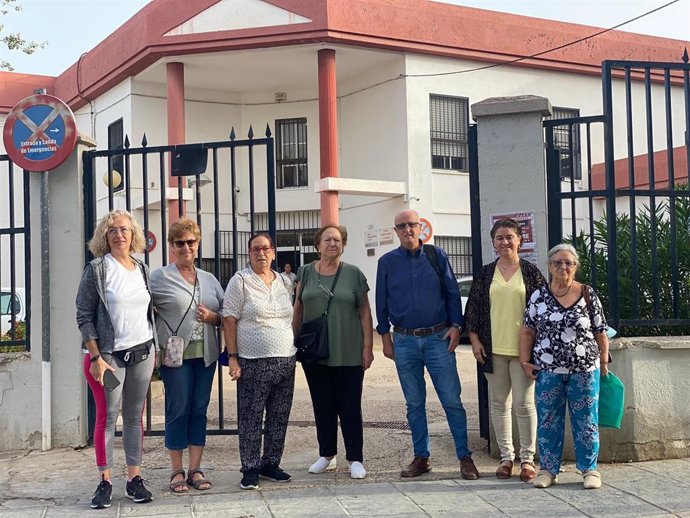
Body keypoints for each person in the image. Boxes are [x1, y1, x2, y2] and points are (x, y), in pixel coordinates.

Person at [376, 209, 479, 480]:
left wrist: (456, 327)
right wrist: (385, 338)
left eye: (412, 225)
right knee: (414, 404)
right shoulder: (387, 262)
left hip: (437, 338)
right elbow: (381, 301)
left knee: (451, 401)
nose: (407, 230)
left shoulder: (436, 255)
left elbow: (452, 293)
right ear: (396, 231)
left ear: (420, 227)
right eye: (402, 226)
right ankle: (421, 457)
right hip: (405, 341)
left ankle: (464, 457)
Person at [75, 210, 157, 509]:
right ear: (104, 238)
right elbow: (83, 314)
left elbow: (148, 312)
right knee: (107, 417)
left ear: (133, 234)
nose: (119, 235)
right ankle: (105, 481)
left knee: (134, 418)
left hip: (142, 353)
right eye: (112, 231)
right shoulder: (97, 269)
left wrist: (155, 347)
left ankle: (134, 479)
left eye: (124, 229)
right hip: (108, 357)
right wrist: (96, 356)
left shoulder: (142, 268)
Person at [519, 243, 609, 490]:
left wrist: (603, 361)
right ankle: (548, 470)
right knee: (548, 420)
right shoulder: (539, 296)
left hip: (585, 371)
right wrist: (525, 362)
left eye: (568, 262)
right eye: (557, 262)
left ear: (576, 267)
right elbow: (527, 331)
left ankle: (589, 469)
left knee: (586, 420)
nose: (563, 267)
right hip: (548, 371)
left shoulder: (588, 293)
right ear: (549, 266)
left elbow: (601, 331)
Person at [465, 218, 546, 481]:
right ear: (493, 243)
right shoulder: (486, 273)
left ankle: (527, 460)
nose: (505, 242)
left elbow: (543, 311)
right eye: (499, 238)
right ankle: (505, 458)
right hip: (493, 349)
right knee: (499, 405)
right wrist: (475, 342)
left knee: (524, 404)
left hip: (524, 352)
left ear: (520, 240)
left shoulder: (531, 272)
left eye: (510, 236)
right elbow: (474, 310)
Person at [292, 224, 373, 480]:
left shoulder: (354, 274)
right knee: (322, 405)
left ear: (343, 245)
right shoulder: (305, 272)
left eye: (338, 240)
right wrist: (292, 343)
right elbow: (298, 309)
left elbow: (364, 312)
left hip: (348, 350)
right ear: (317, 245)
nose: (333, 244)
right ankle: (326, 454)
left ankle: (355, 459)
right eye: (327, 239)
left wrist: (368, 347)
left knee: (350, 406)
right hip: (315, 353)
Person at [150, 218, 225, 493]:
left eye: (190, 242)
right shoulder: (158, 277)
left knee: (199, 409)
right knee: (178, 408)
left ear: (197, 244)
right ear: (171, 246)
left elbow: (226, 315)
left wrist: (214, 317)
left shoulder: (209, 279)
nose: (185, 247)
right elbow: (144, 310)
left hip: (206, 355)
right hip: (174, 357)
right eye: (179, 242)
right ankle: (176, 470)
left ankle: (195, 469)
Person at [222, 233, 296, 490]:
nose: (261, 253)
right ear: (249, 253)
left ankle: (271, 463)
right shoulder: (240, 281)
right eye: (255, 249)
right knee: (251, 417)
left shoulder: (285, 282)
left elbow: (290, 317)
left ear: (273, 252)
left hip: (286, 359)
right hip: (253, 362)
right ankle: (250, 467)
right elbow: (229, 318)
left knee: (279, 415)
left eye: (265, 248)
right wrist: (233, 357)